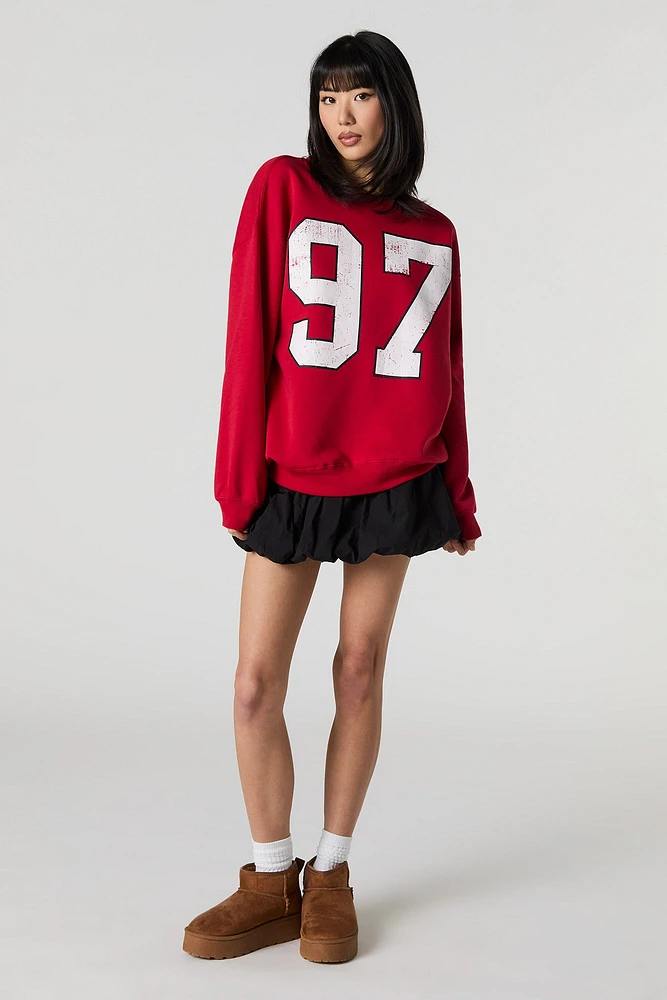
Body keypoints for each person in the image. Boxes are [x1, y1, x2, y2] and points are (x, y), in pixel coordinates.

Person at [182, 29, 482, 965]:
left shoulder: (435, 232)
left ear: (393, 102)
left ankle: (332, 873)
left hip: (397, 477)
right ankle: (270, 878)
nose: (341, 116)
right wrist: (238, 478)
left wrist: (459, 494)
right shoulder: (282, 187)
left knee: (358, 671)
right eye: (326, 98)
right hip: (292, 474)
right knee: (253, 685)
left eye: (358, 95)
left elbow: (448, 370)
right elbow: (247, 338)